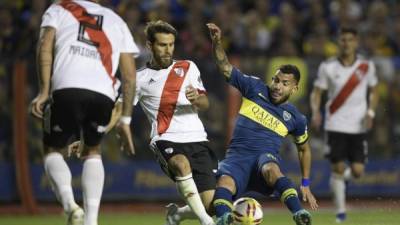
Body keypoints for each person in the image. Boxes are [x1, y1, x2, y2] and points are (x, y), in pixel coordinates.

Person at [30, 1, 139, 225]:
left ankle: (70, 206)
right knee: (93, 149)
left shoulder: (59, 8)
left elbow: (45, 45)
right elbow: (129, 75)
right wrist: (125, 120)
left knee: (52, 148)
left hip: (67, 87)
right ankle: (91, 221)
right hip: (103, 94)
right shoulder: (117, 20)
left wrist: (43, 91)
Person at [206, 23, 318, 225]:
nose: (277, 86)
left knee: (271, 168)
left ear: (295, 88)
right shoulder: (254, 87)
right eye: (276, 80)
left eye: (284, 83)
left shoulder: (296, 118)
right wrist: (217, 43)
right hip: (237, 157)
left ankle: (299, 214)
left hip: (263, 159)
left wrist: (306, 184)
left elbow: (304, 150)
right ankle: (224, 219)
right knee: (224, 184)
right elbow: (224, 66)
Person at [134, 20, 216, 225]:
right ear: (150, 45)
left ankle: (176, 215)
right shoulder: (139, 79)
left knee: (210, 206)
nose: (168, 49)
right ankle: (207, 223)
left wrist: (197, 98)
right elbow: (120, 109)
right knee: (181, 164)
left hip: (197, 139)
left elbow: (206, 103)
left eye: (171, 44)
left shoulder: (188, 67)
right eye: (162, 45)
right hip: (166, 138)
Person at [310, 27, 379, 223]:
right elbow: (316, 92)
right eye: (343, 40)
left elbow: (374, 91)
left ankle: (337, 181)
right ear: (338, 42)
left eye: (350, 40)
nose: (346, 43)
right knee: (338, 167)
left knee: (357, 172)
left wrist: (371, 112)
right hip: (335, 125)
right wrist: (315, 112)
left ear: (356, 42)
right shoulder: (328, 67)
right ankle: (340, 213)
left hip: (358, 126)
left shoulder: (366, 66)